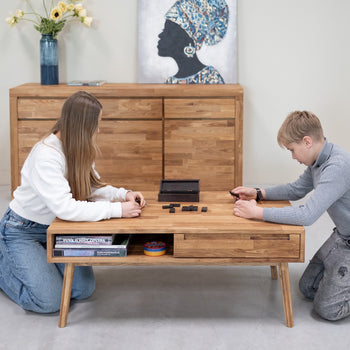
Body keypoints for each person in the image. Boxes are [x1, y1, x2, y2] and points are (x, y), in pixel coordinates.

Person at [0, 91, 146, 314]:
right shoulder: (46, 155)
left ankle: (37, 264)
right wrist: (117, 210)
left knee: (82, 289)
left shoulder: (77, 147)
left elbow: (90, 186)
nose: (99, 129)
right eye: (96, 124)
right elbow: (66, 207)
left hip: (57, 228)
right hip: (23, 230)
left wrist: (123, 194)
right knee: (49, 301)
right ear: (81, 126)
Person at [232, 110, 350, 321]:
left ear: (307, 141)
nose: (293, 157)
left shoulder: (337, 166)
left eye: (292, 150)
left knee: (328, 309)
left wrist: (257, 213)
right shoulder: (317, 162)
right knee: (307, 288)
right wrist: (258, 193)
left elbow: (307, 215)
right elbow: (296, 189)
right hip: (343, 235)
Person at [158, 0, 229, 84]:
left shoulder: (211, 78)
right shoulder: (170, 82)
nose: (160, 35)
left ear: (187, 40)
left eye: (168, 31)